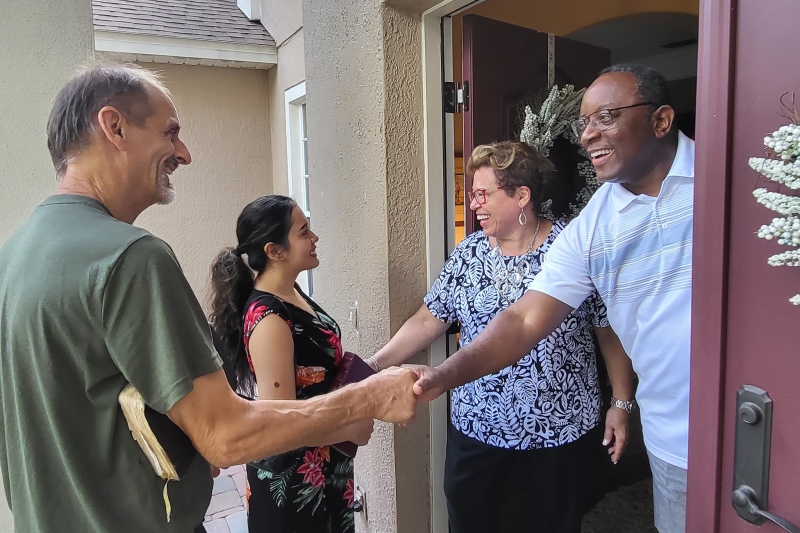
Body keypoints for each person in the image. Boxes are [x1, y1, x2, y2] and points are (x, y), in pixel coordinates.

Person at [0, 63, 417, 533]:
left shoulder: (12, 255)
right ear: (114, 127)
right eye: (170, 132)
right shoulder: (132, 258)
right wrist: (366, 399)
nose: (184, 153)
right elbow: (225, 436)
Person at [413, 64, 694, 533]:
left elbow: (605, 332)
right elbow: (521, 322)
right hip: (671, 441)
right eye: (584, 122)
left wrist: (620, 404)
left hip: (745, 430)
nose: (588, 135)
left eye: (605, 117)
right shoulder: (593, 226)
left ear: (661, 121)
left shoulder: (727, 183)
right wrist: (437, 378)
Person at [371, 141, 634, 533]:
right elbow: (429, 320)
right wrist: (374, 364)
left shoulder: (571, 250)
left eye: (482, 194)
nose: (473, 204)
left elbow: (607, 330)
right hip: (478, 426)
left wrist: (621, 402)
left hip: (557, 429)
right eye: (471, 194)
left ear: (521, 196)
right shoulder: (469, 254)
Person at [210, 195, 360, 533]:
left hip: (325, 462)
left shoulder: (291, 293)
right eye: (304, 232)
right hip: (293, 484)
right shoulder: (269, 319)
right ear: (274, 251)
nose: (314, 238)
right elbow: (281, 421)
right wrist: (347, 425)